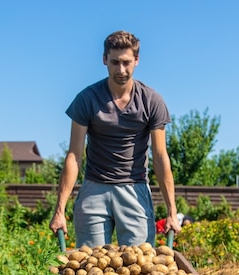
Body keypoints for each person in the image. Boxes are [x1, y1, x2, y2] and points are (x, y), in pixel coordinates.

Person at [49, 30, 180, 247]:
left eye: (126, 62)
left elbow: (160, 157)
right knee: (90, 268)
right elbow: (74, 156)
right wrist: (59, 210)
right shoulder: (87, 99)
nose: (121, 70)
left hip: (134, 189)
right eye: (115, 62)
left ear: (137, 60)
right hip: (94, 189)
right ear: (104, 60)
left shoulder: (151, 100)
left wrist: (172, 212)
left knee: (141, 267)